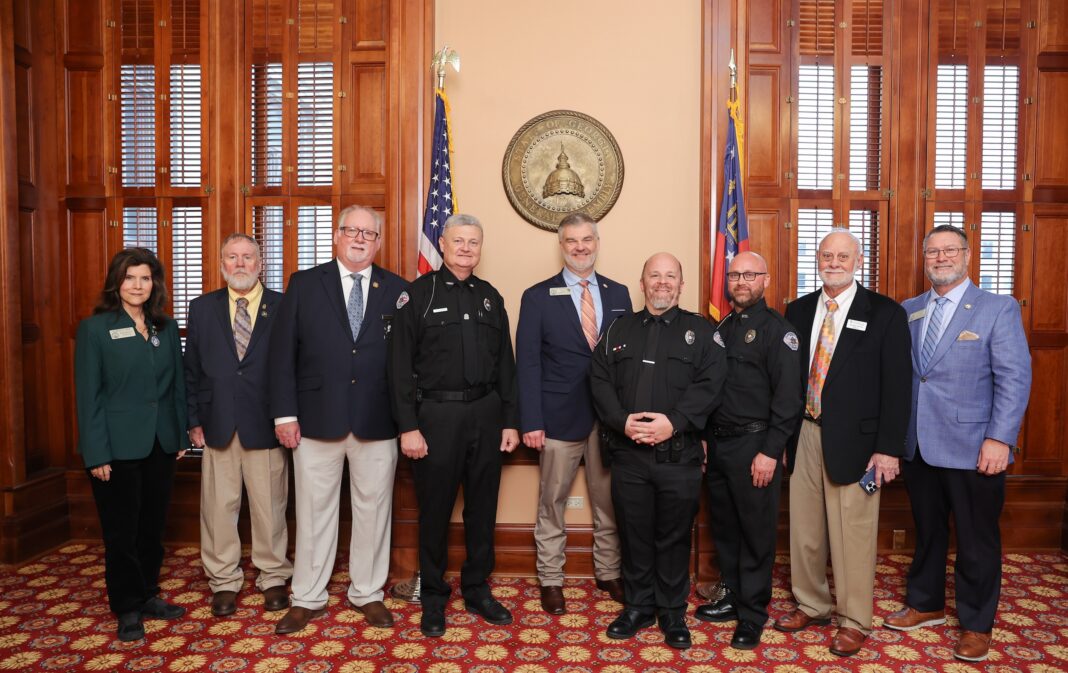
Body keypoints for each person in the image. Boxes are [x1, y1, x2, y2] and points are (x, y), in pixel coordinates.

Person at [884, 225, 1031, 662]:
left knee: (976, 538)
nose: (940, 257)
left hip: (974, 446)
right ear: (923, 257)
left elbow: (1014, 378)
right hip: (920, 445)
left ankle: (976, 624)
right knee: (928, 532)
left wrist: (999, 438)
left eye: (949, 250)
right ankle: (926, 602)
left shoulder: (996, 308)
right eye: (932, 251)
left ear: (968, 256)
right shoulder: (909, 310)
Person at [269, 205, 407, 634]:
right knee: (313, 511)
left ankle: (368, 593)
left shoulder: (399, 290)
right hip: (314, 419)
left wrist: (407, 422)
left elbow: (405, 363)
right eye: (352, 231)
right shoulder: (305, 284)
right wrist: (285, 414)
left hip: (377, 420)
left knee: (374, 511)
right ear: (337, 235)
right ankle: (307, 595)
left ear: (379, 242)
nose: (361, 239)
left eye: (369, 233)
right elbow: (281, 356)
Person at [775, 229, 911, 657]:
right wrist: (781, 436)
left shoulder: (885, 313)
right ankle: (812, 604)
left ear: (859, 260)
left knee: (852, 534)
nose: (833, 263)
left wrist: (888, 448)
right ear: (818, 259)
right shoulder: (796, 311)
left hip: (859, 442)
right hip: (805, 433)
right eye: (826, 255)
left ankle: (854, 619)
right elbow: (785, 382)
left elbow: (898, 388)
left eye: (843, 256)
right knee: (805, 531)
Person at [389, 213, 520, 638]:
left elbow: (506, 366)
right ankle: (433, 596)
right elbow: (398, 368)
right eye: (458, 241)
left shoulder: (490, 297)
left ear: (481, 249)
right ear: (442, 245)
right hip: (436, 419)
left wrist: (509, 422)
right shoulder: (418, 295)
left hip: (485, 414)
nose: (466, 248)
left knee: (483, 509)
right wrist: (408, 426)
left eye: (474, 242)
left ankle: (478, 588)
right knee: (436, 511)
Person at [589, 252, 725, 650]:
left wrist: (675, 421)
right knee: (634, 533)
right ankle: (637, 607)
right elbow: (598, 379)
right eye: (655, 276)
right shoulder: (618, 329)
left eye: (670, 276)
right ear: (642, 282)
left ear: (681, 285)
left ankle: (671, 612)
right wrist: (620, 420)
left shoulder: (701, 332)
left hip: (678, 454)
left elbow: (712, 382)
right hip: (629, 455)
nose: (662, 282)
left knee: (673, 535)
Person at [516, 213, 631, 615]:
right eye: (571, 241)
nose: (580, 247)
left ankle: (609, 571)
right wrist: (531, 420)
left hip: (608, 421)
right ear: (561, 246)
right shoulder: (537, 296)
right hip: (557, 418)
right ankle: (550, 578)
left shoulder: (619, 294)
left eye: (586, 239)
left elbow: (625, 362)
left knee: (608, 503)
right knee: (552, 503)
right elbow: (527, 363)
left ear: (597, 241)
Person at [74, 247, 188, 642]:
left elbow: (176, 387)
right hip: (116, 448)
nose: (137, 285)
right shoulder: (96, 329)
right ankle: (126, 606)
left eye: (145, 278)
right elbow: (88, 396)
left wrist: (181, 432)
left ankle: (148, 594)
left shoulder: (166, 327)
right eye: (130, 278)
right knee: (121, 533)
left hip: (161, 443)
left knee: (152, 528)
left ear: (154, 283)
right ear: (116, 282)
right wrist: (96, 453)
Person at [696, 251, 801, 649]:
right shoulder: (723, 326)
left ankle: (753, 615)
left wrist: (771, 451)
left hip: (755, 445)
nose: (741, 281)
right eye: (735, 274)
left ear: (766, 280)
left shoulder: (778, 331)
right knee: (726, 527)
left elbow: (788, 399)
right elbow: (712, 387)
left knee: (756, 533)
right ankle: (733, 599)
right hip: (720, 443)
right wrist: (705, 436)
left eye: (750, 274)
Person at [184, 233, 292, 617]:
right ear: (221, 264)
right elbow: (191, 369)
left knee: (270, 507)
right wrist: (193, 420)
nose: (241, 264)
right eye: (232, 257)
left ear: (261, 264)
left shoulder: (282, 306)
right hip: (218, 423)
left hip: (267, 424)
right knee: (218, 508)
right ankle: (224, 580)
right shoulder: (201, 308)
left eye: (248, 257)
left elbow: (295, 366)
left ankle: (273, 576)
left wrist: (289, 416)